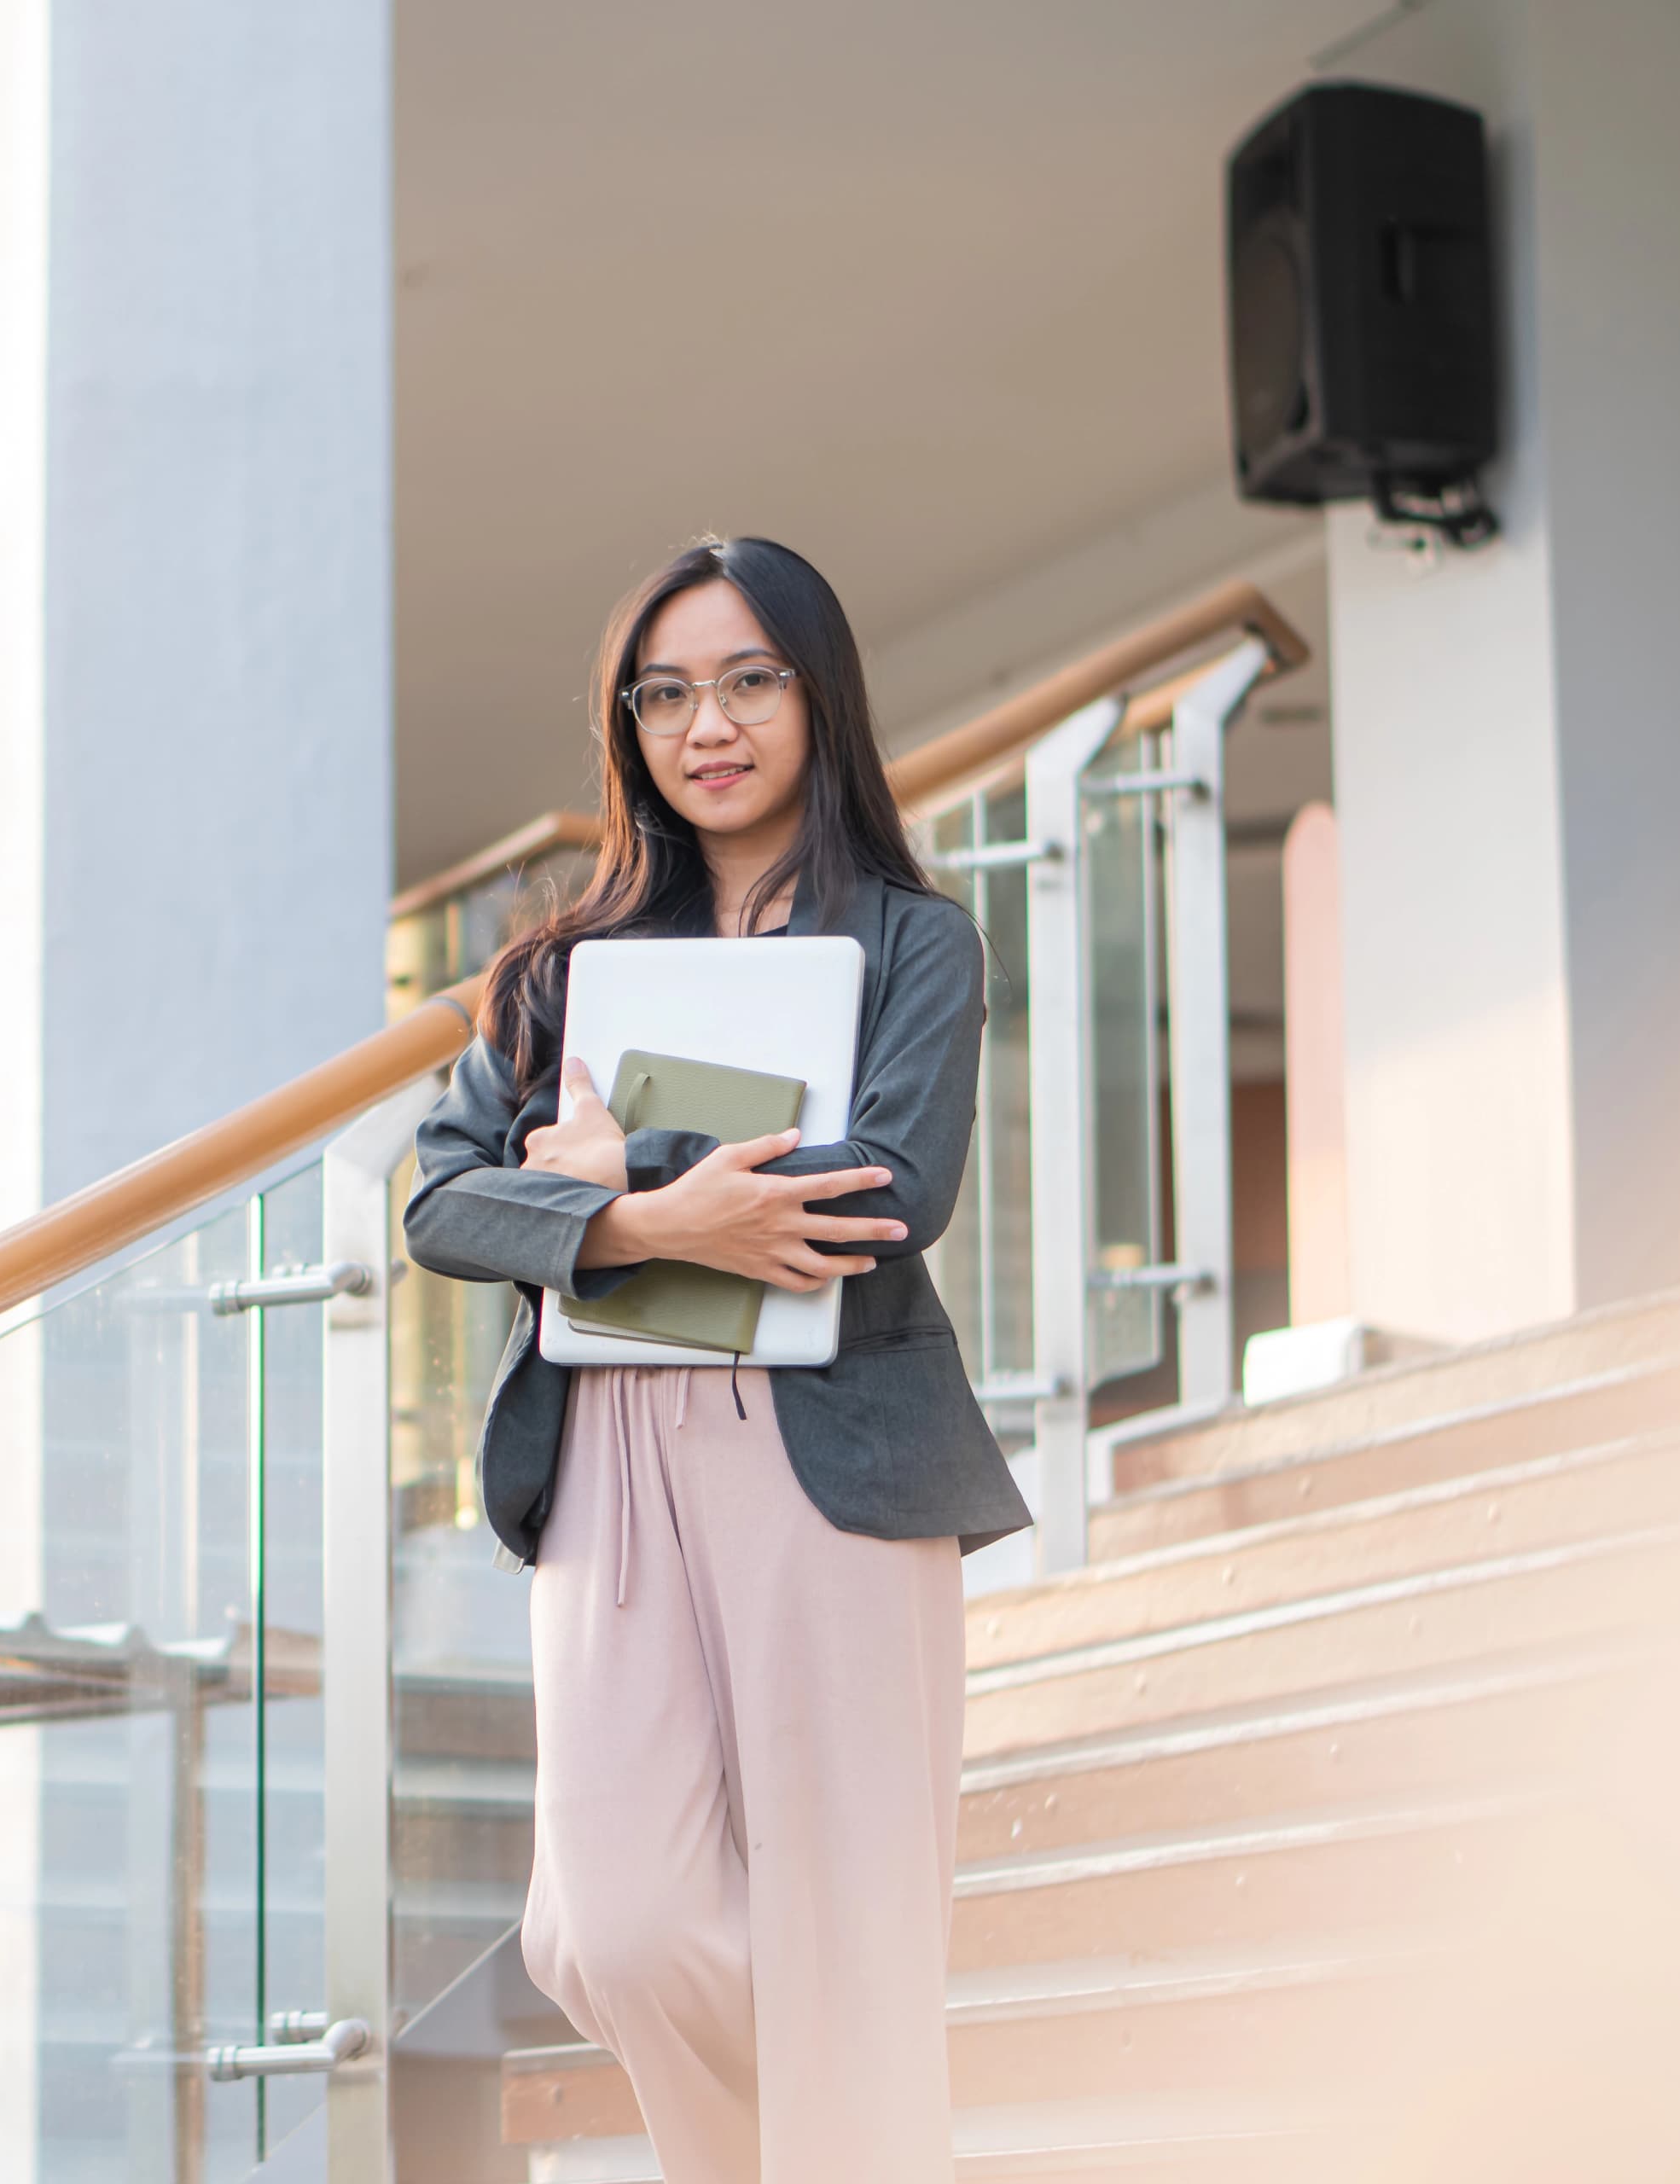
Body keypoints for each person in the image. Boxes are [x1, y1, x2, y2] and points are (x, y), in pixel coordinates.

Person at [404, 537, 1030, 2182]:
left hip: (832, 1454)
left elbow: (890, 1191)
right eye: (667, 693)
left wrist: (631, 1162)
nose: (710, 724)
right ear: (630, 727)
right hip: (605, 1453)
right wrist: (642, 1223)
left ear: (820, 696)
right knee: (611, 1929)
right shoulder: (557, 968)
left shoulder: (917, 944)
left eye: (751, 679)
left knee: (849, 1929)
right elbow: (445, 1204)